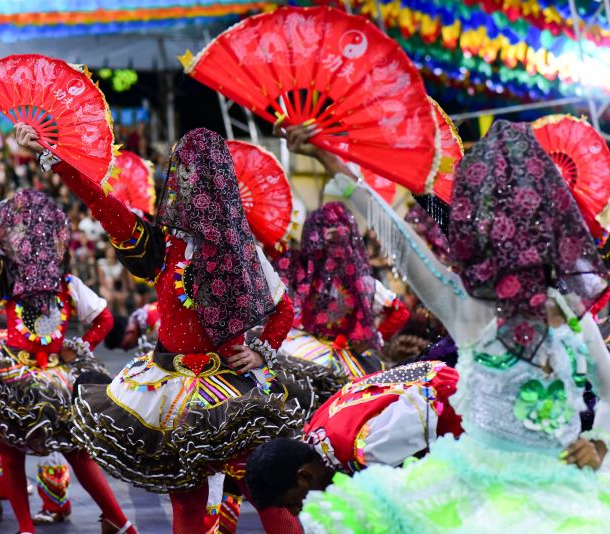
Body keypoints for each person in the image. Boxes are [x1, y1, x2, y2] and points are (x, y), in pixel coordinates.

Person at [279, 120, 610, 532]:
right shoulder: (467, 310)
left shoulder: (575, 321)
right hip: (471, 494)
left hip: (563, 498)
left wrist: (600, 443)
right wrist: (329, 160)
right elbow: (399, 241)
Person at [15, 123, 306, 533]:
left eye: (199, 175)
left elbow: (284, 310)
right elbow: (103, 204)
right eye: (184, 173)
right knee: (187, 501)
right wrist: (59, 162)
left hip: (233, 394)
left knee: (266, 493)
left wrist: (263, 352)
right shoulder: (162, 246)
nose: (191, 184)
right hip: (168, 390)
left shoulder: (243, 251)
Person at [0, 189, 134, 534]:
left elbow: (105, 320)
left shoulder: (64, 284)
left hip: (54, 378)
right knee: (21, 452)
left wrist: (80, 347)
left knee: (70, 452)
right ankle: (35, 527)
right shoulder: (15, 280)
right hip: (19, 373)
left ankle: (116, 521)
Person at [246, 359, 462, 516]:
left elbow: (426, 409)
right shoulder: (316, 436)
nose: (294, 513)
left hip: (459, 405)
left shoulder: (363, 449)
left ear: (305, 475)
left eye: (289, 504)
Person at [277, 202, 410, 402]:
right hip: (307, 352)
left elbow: (399, 312)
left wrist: (371, 339)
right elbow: (399, 312)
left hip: (324, 354)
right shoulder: (358, 283)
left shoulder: (360, 283)